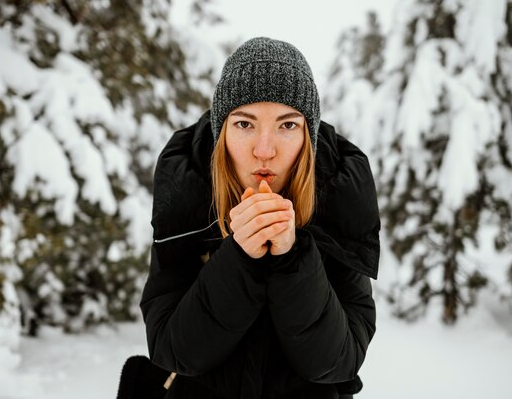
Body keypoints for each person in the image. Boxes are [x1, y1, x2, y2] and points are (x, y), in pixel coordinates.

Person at [136, 37, 380, 399]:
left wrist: (292, 258)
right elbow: (173, 350)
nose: (264, 150)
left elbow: (338, 361)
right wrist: (237, 260)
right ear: (222, 131)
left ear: (308, 136)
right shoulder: (189, 190)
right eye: (245, 124)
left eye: (287, 126)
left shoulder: (340, 198)